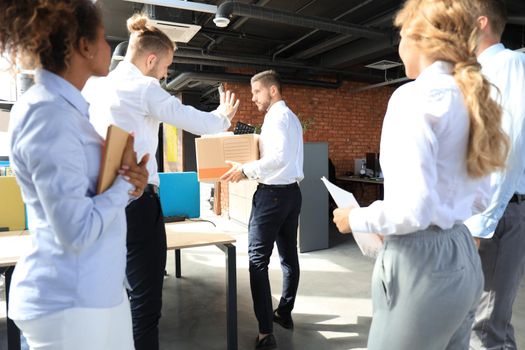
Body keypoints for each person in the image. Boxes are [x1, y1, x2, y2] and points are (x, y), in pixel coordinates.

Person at [332, 0, 510, 349]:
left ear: (420, 40)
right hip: (463, 255)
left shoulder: (412, 98)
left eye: (400, 35)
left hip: (419, 265)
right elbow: (481, 197)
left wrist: (356, 217)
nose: (398, 46)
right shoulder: (474, 99)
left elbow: (413, 211)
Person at [84, 13, 240, 350]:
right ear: (151, 58)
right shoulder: (144, 88)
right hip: (138, 206)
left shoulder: (96, 86)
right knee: (145, 303)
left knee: (112, 298)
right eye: (166, 65)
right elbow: (192, 120)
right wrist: (223, 117)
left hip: (100, 205)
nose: (166, 73)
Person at [0, 1, 149, 349]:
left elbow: (89, 198)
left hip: (95, 292)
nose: (110, 49)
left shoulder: (65, 111)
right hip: (71, 303)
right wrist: (123, 183)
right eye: (103, 38)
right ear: (84, 46)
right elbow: (77, 230)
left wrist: (128, 184)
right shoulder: (47, 115)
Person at [221, 70, 304, 350]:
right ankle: (284, 313)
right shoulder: (291, 118)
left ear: (272, 91)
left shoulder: (277, 117)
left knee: (257, 261)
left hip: (272, 197)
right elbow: (283, 156)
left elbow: (277, 157)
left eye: (256, 92)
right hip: (292, 194)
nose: (253, 97)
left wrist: (244, 169)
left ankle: (266, 333)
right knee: (288, 257)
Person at [464, 1, 525, 349]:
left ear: (482, 23)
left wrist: (481, 223)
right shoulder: (477, 72)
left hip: (498, 215)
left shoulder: (512, 65)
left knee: (483, 327)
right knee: (492, 322)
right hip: (484, 213)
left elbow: (509, 147)